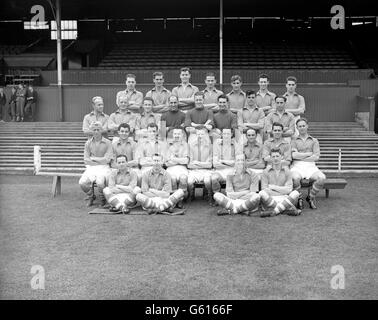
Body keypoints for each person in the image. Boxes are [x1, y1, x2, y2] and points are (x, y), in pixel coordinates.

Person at [290, 118, 326, 210]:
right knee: (295, 178)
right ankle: (299, 198)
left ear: (307, 126)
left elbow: (316, 157)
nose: (302, 128)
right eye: (299, 126)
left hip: (311, 166)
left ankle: (310, 197)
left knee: (321, 178)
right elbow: (293, 155)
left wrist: (301, 156)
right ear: (297, 128)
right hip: (297, 165)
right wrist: (308, 154)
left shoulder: (314, 141)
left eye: (303, 126)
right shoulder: (293, 140)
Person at [79, 121, 113, 207]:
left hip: (104, 167)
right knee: (82, 183)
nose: (96, 132)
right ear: (91, 131)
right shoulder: (88, 143)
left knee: (100, 182)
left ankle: (102, 198)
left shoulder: (108, 142)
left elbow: (107, 160)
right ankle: (91, 196)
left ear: (101, 130)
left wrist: (93, 159)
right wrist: (99, 160)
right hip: (91, 167)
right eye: (94, 130)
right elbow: (86, 160)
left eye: (98, 129)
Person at [259, 148, 301, 217]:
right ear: (270, 158)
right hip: (271, 198)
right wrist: (282, 190)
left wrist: (273, 187)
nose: (275, 158)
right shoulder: (266, 171)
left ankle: (274, 211)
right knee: (261, 193)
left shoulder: (287, 171)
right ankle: (284, 209)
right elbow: (265, 189)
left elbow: (289, 190)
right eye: (273, 156)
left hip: (284, 198)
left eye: (277, 156)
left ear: (281, 157)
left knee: (295, 193)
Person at [210, 129, 236, 206]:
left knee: (230, 177)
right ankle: (217, 197)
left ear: (231, 134)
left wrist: (222, 161)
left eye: (228, 134)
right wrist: (229, 163)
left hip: (232, 170)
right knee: (214, 178)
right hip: (219, 170)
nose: (226, 136)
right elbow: (215, 163)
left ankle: (230, 198)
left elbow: (236, 162)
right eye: (224, 134)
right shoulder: (217, 144)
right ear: (222, 135)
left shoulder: (235, 144)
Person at [165, 128, 189, 208]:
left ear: (182, 135)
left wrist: (173, 159)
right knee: (172, 178)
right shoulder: (168, 145)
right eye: (175, 134)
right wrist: (179, 160)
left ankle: (180, 199)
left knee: (183, 178)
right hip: (171, 168)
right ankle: (174, 200)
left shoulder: (185, 145)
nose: (176, 136)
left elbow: (186, 161)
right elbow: (166, 162)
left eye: (178, 134)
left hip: (182, 168)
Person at [187, 128, 213, 201]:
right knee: (189, 182)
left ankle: (209, 194)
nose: (200, 136)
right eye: (198, 134)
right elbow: (190, 165)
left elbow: (210, 165)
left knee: (207, 181)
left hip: (206, 171)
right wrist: (204, 164)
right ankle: (191, 194)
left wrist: (197, 163)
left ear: (206, 135)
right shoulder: (191, 146)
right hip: (194, 171)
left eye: (202, 134)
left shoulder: (210, 146)